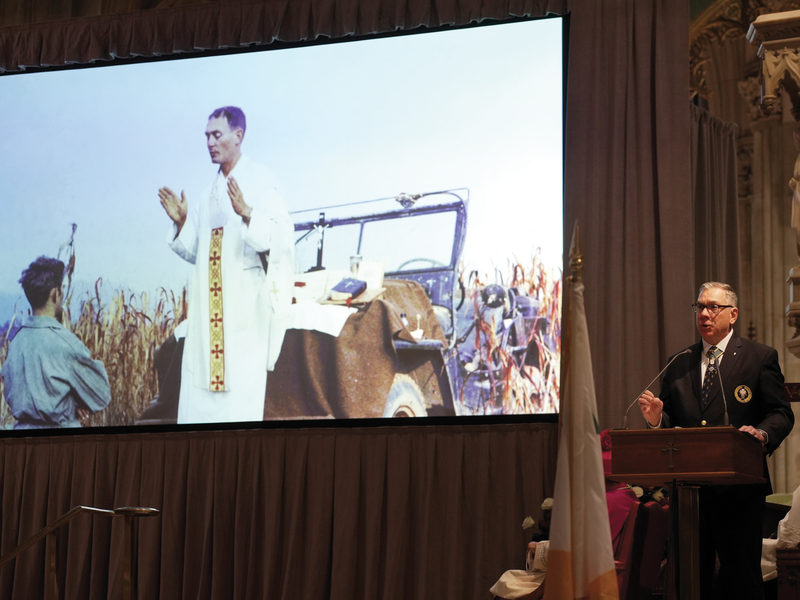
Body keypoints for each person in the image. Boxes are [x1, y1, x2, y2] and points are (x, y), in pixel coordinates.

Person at [638, 281, 794, 600]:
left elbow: (781, 412)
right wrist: (656, 420)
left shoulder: (759, 357)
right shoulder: (679, 362)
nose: (704, 314)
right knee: (692, 581)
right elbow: (672, 422)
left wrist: (761, 433)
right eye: (700, 307)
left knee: (742, 581)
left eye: (713, 307)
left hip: (739, 491)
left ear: (732, 314)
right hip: (689, 495)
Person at [158, 106, 294, 424]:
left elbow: (282, 240)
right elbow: (198, 253)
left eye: (216, 135)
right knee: (199, 398)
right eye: (206, 136)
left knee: (237, 406)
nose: (209, 143)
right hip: (206, 318)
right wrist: (182, 223)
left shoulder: (262, 182)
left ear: (238, 135)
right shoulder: (208, 194)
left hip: (243, 316)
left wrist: (248, 213)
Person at [1, 257, 111, 428]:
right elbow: (101, 394)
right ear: (54, 293)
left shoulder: (16, 342)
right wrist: (73, 405)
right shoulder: (65, 343)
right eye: (62, 289)